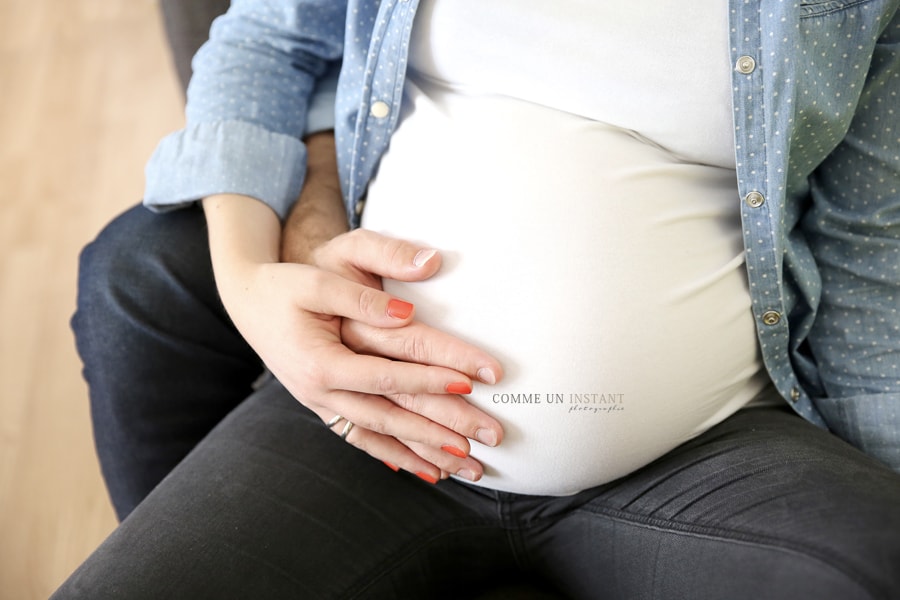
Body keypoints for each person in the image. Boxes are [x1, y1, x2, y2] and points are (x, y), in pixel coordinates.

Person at [58, 1, 900, 598]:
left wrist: (878, 456)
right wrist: (251, 288)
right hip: (365, 425)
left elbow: (870, 236)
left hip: (703, 452)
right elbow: (267, 43)